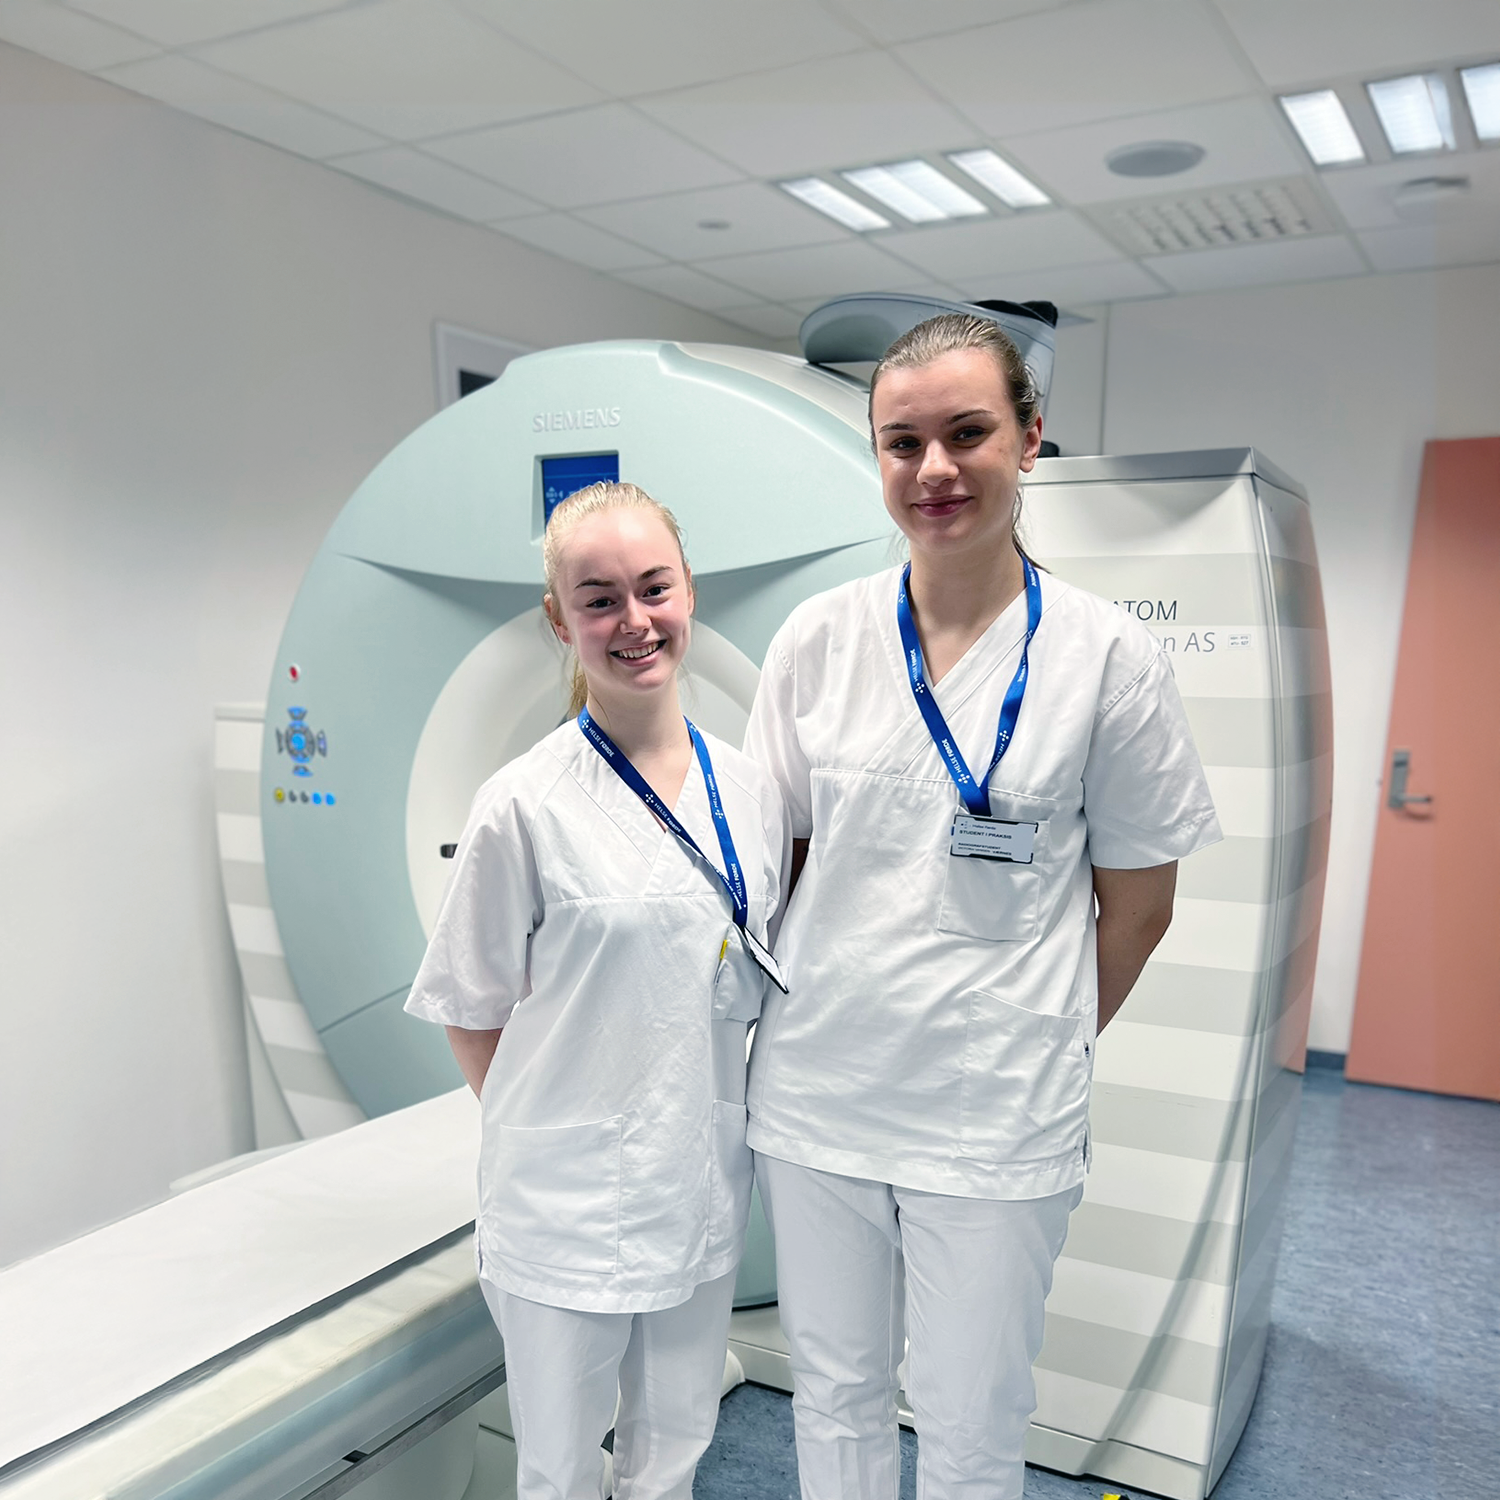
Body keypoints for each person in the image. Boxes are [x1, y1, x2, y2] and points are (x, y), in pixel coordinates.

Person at [744, 313, 1221, 1500]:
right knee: (837, 1394)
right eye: (903, 442)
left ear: (1032, 437)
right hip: (820, 1093)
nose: (935, 469)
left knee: (971, 1420)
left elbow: (1141, 905)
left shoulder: (1106, 658)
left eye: (968, 433)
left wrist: (1030, 1029)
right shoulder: (819, 638)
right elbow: (784, 857)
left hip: (992, 1109)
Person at [405, 481, 790, 1500]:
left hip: (699, 1182)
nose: (635, 620)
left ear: (689, 592)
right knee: (563, 1469)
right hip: (563, 1203)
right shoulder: (521, 805)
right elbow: (470, 1009)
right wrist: (563, 1129)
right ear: (559, 620)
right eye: (600, 597)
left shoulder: (749, 791)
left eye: (653, 587)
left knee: (675, 1446)